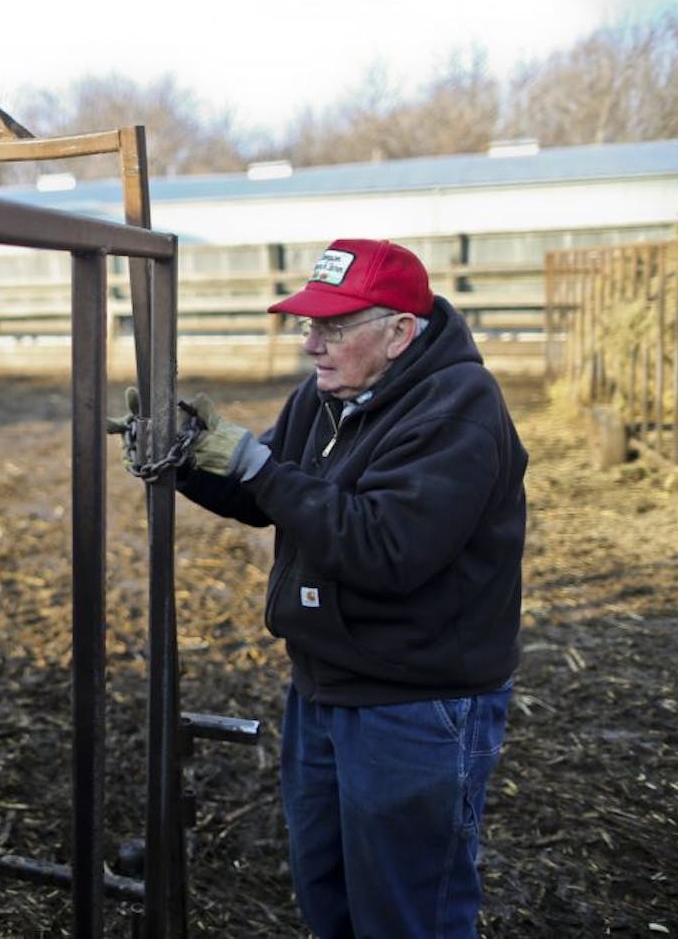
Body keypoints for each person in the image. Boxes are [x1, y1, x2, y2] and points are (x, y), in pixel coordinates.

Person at [172, 238, 527, 937]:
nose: (312, 344)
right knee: (327, 891)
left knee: (407, 909)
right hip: (326, 681)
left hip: (416, 701)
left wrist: (257, 468)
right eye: (307, 324)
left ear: (398, 333)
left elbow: (386, 548)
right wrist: (186, 459)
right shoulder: (328, 395)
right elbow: (269, 495)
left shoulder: (457, 410)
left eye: (332, 326)